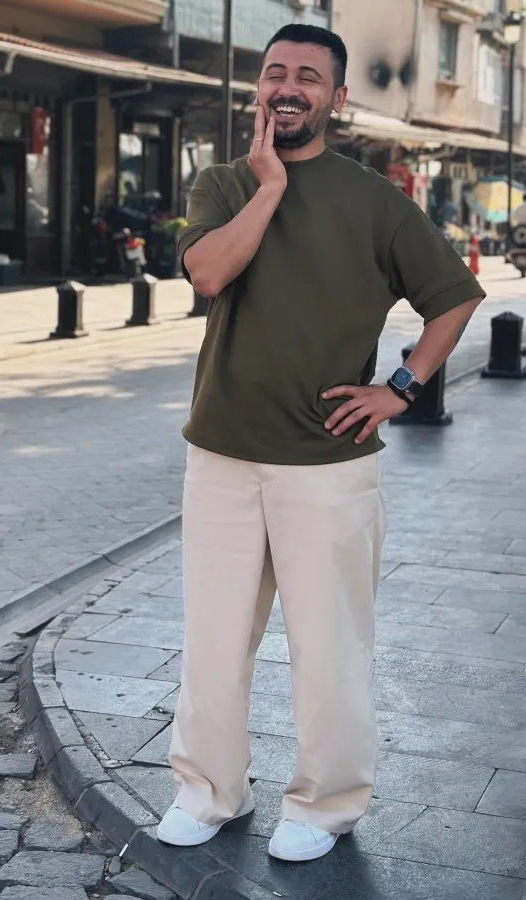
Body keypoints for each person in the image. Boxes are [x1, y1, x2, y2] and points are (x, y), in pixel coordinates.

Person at [157, 24, 485, 863]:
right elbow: (209, 273)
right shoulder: (223, 182)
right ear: (258, 90)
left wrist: (400, 387)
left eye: (308, 75)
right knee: (213, 642)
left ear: (337, 98)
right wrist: (269, 187)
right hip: (222, 454)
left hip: (330, 466)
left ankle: (326, 805)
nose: (288, 86)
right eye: (275, 72)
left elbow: (454, 297)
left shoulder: (374, 201)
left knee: (330, 649)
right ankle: (209, 791)